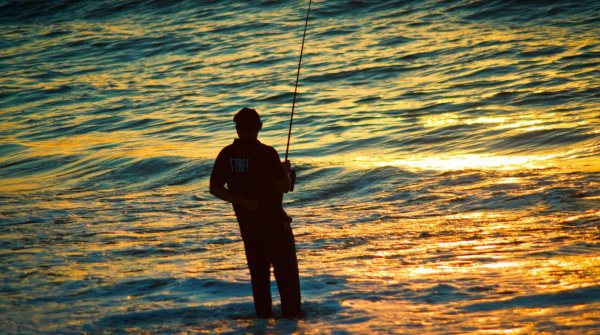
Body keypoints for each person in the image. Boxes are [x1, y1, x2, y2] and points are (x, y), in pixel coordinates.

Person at [209, 107, 301, 319]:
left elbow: (215, 188)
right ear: (259, 127)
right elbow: (284, 187)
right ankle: (290, 325)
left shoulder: (227, 154)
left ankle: (263, 324)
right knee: (288, 287)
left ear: (237, 129)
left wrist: (242, 201)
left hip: (249, 229)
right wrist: (287, 174)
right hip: (276, 228)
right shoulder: (267, 153)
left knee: (260, 283)